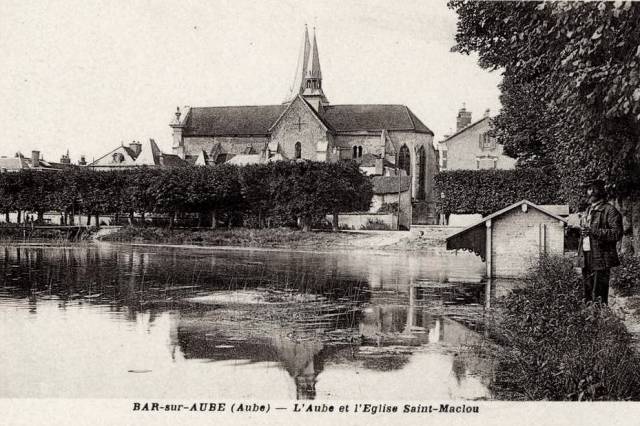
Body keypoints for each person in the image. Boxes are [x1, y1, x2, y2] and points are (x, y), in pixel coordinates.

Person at [577, 179, 623, 304]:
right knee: (587, 293)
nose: (590, 192)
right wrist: (583, 232)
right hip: (586, 255)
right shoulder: (587, 211)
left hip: (601, 257)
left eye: (593, 189)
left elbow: (617, 234)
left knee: (599, 295)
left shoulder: (610, 210)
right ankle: (590, 320)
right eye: (589, 189)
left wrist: (593, 231)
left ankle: (601, 320)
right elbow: (587, 232)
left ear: (601, 191)